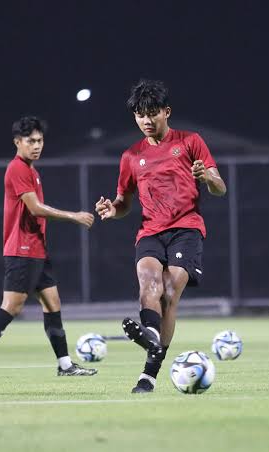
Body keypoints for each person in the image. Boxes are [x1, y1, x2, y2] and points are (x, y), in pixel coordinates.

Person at [95, 79, 226, 393]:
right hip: (150, 232)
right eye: (140, 115)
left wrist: (207, 176)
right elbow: (125, 202)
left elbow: (220, 187)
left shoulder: (191, 142)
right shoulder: (130, 156)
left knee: (168, 292)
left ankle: (149, 371)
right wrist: (114, 210)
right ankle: (152, 342)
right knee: (149, 283)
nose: (146, 121)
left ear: (166, 112)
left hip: (187, 230)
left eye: (153, 113)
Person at [0, 116, 97, 378]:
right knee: (11, 306)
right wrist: (74, 216)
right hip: (21, 249)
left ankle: (65, 365)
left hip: (36, 250)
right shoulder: (18, 168)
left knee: (52, 303)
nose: (37, 145)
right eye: (30, 141)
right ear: (17, 142)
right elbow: (34, 209)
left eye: (40, 140)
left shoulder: (32, 171)